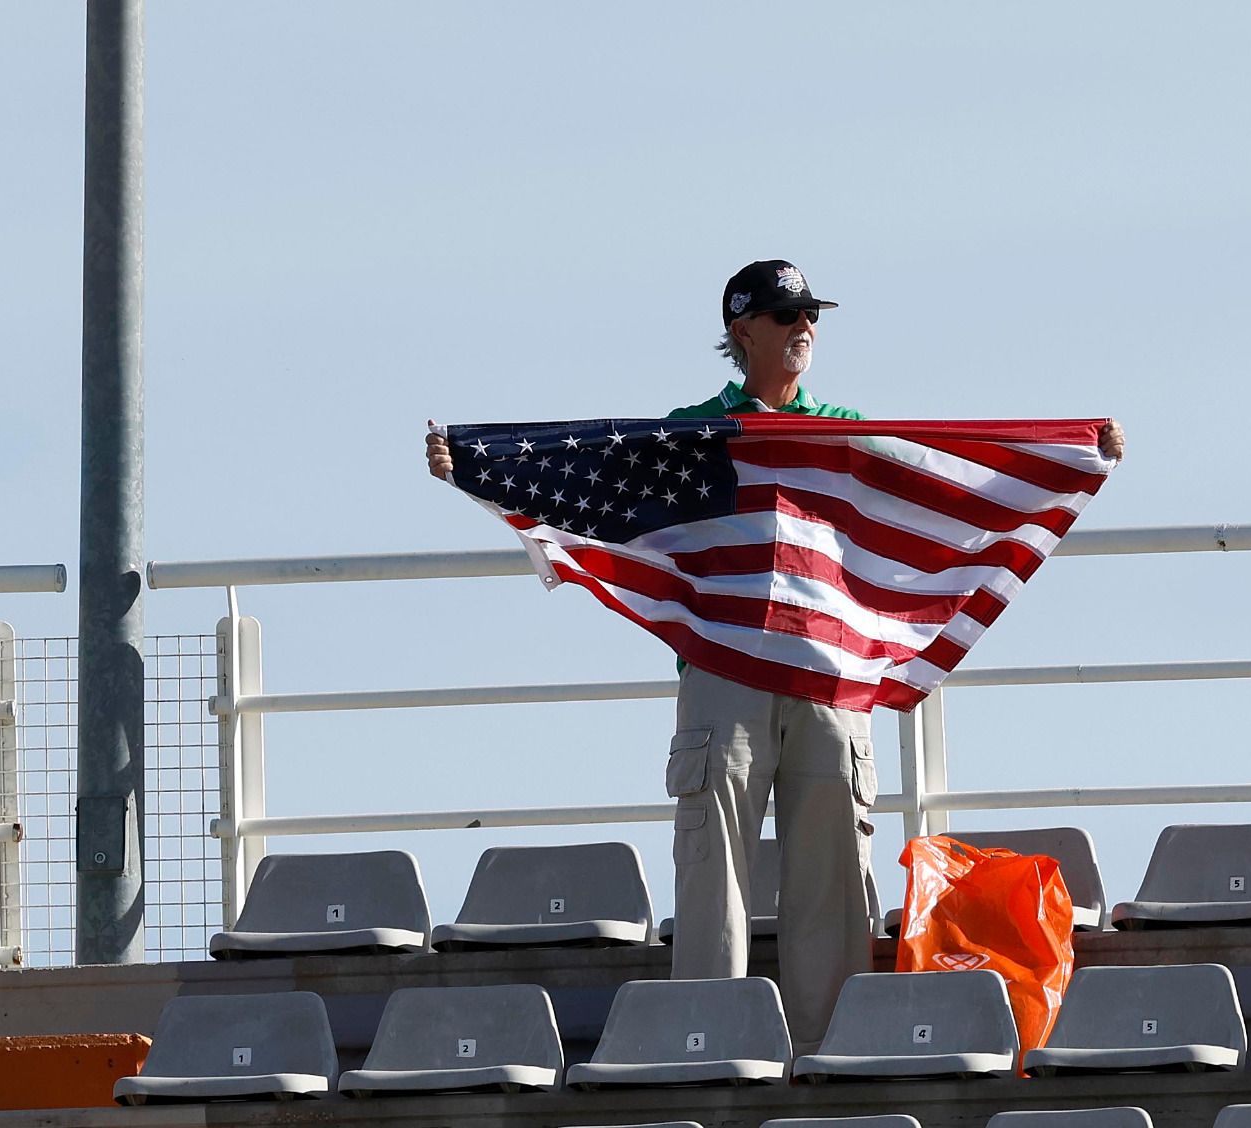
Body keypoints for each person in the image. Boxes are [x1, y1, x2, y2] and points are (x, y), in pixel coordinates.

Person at [425, 259, 1124, 1051]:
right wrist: (477, 466)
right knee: (712, 872)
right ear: (741, 330)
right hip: (723, 678)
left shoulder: (848, 430)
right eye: (787, 315)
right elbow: (595, 484)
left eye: (810, 316)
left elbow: (957, 484)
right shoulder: (691, 433)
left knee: (832, 882)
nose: (804, 329)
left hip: (831, 679)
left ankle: (833, 1057)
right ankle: (706, 1048)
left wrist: (1077, 452)